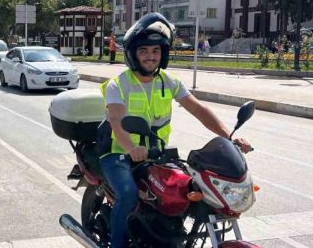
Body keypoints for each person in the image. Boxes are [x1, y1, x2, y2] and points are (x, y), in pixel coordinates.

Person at [96, 13, 252, 248]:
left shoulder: (169, 81)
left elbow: (199, 110)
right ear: (133, 54)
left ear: (163, 53)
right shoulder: (119, 84)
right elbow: (117, 121)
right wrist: (131, 148)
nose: (150, 57)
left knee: (188, 189)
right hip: (118, 153)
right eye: (144, 51)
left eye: (156, 51)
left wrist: (229, 136)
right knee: (128, 194)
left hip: (156, 155)